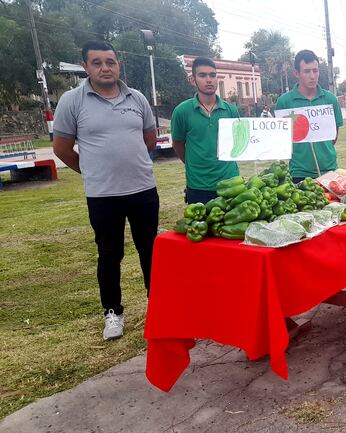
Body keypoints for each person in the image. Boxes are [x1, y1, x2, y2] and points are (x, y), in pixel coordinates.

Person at [52, 41, 159, 341]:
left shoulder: (137, 98)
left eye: (110, 62)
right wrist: (91, 171)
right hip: (103, 196)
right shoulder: (72, 101)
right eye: (97, 62)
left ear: (118, 65)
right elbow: (61, 148)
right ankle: (113, 312)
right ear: (85, 67)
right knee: (110, 254)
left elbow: (149, 139)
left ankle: (158, 305)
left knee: (151, 251)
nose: (105, 68)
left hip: (143, 190)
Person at [171, 57, 240, 204]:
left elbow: (239, 141)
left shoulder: (231, 110)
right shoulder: (181, 111)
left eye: (212, 75)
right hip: (198, 185)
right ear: (193, 80)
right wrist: (193, 164)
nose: (209, 80)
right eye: (202, 75)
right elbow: (178, 144)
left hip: (231, 182)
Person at [275, 50, 343, 183]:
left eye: (315, 71)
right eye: (307, 71)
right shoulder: (284, 102)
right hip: (299, 172)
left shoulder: (330, 99)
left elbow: (333, 137)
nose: (312, 76)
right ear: (296, 73)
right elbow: (282, 139)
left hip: (329, 170)